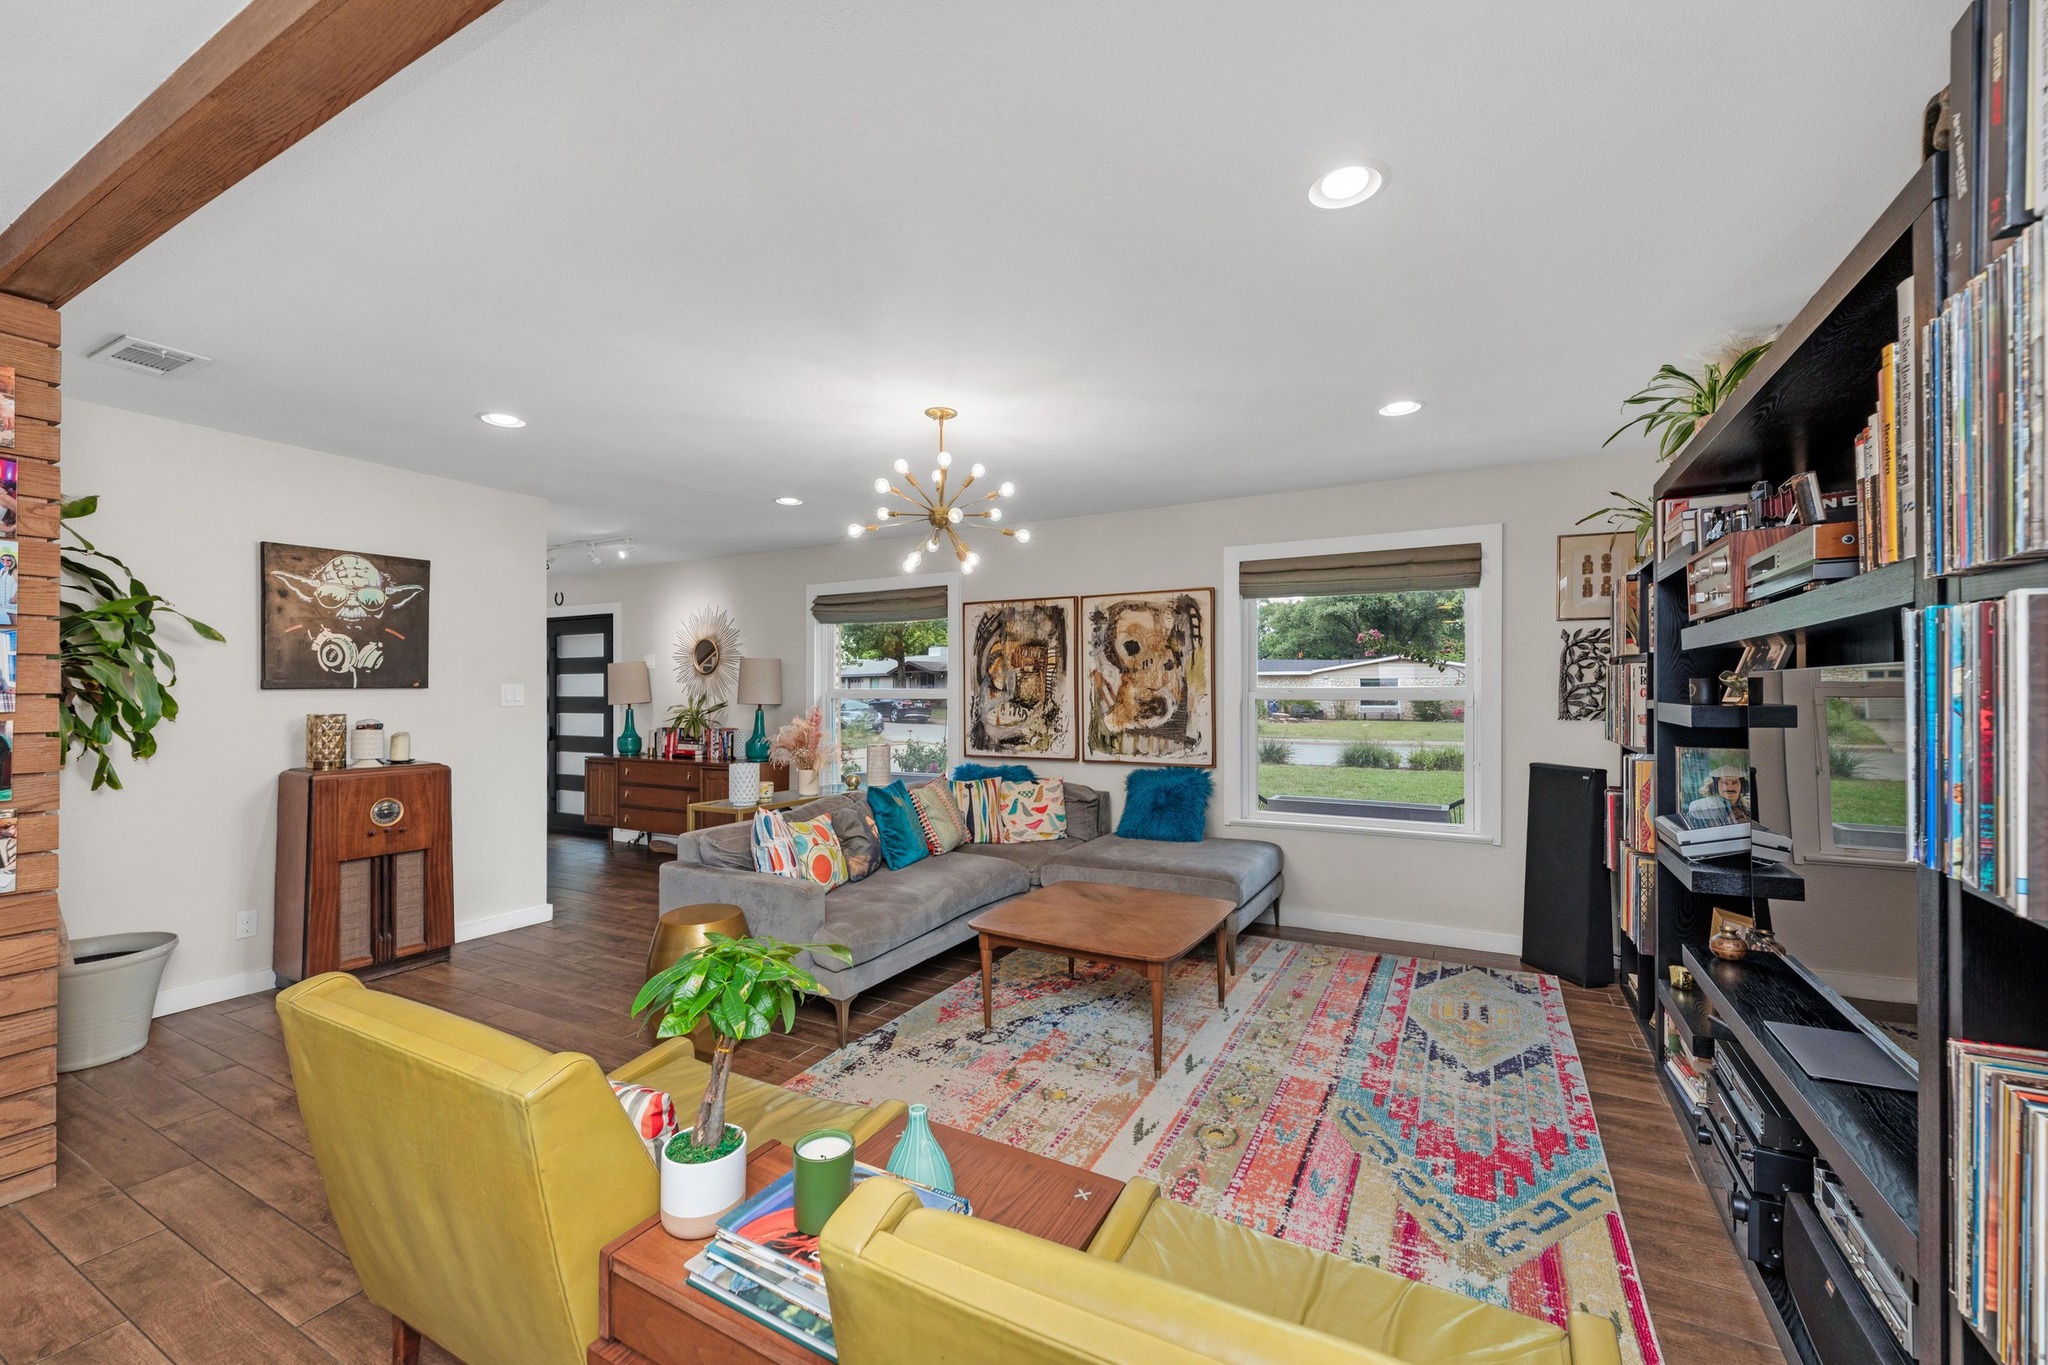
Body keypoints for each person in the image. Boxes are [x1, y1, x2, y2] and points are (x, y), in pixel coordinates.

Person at [1687, 763, 1751, 824]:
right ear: (1716, 785)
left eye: (1734, 782)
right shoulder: (1700, 809)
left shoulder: (1748, 808)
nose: (1730, 788)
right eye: (1724, 783)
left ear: (1742, 785)